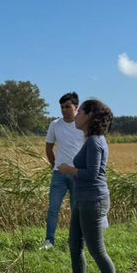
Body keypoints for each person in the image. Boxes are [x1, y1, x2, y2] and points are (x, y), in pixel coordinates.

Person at [52, 98, 128, 273]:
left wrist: (70, 170)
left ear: (90, 116)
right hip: (83, 199)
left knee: (97, 249)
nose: (75, 116)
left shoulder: (95, 141)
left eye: (80, 112)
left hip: (93, 200)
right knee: (75, 245)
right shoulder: (93, 139)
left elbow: (93, 174)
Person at [42, 92, 82, 250]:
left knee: (76, 210)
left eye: (68, 107)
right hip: (59, 174)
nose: (64, 110)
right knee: (53, 208)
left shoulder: (82, 125)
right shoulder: (55, 125)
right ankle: (49, 241)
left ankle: (75, 240)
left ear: (76, 107)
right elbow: (48, 147)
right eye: (62, 107)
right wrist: (55, 165)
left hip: (77, 174)